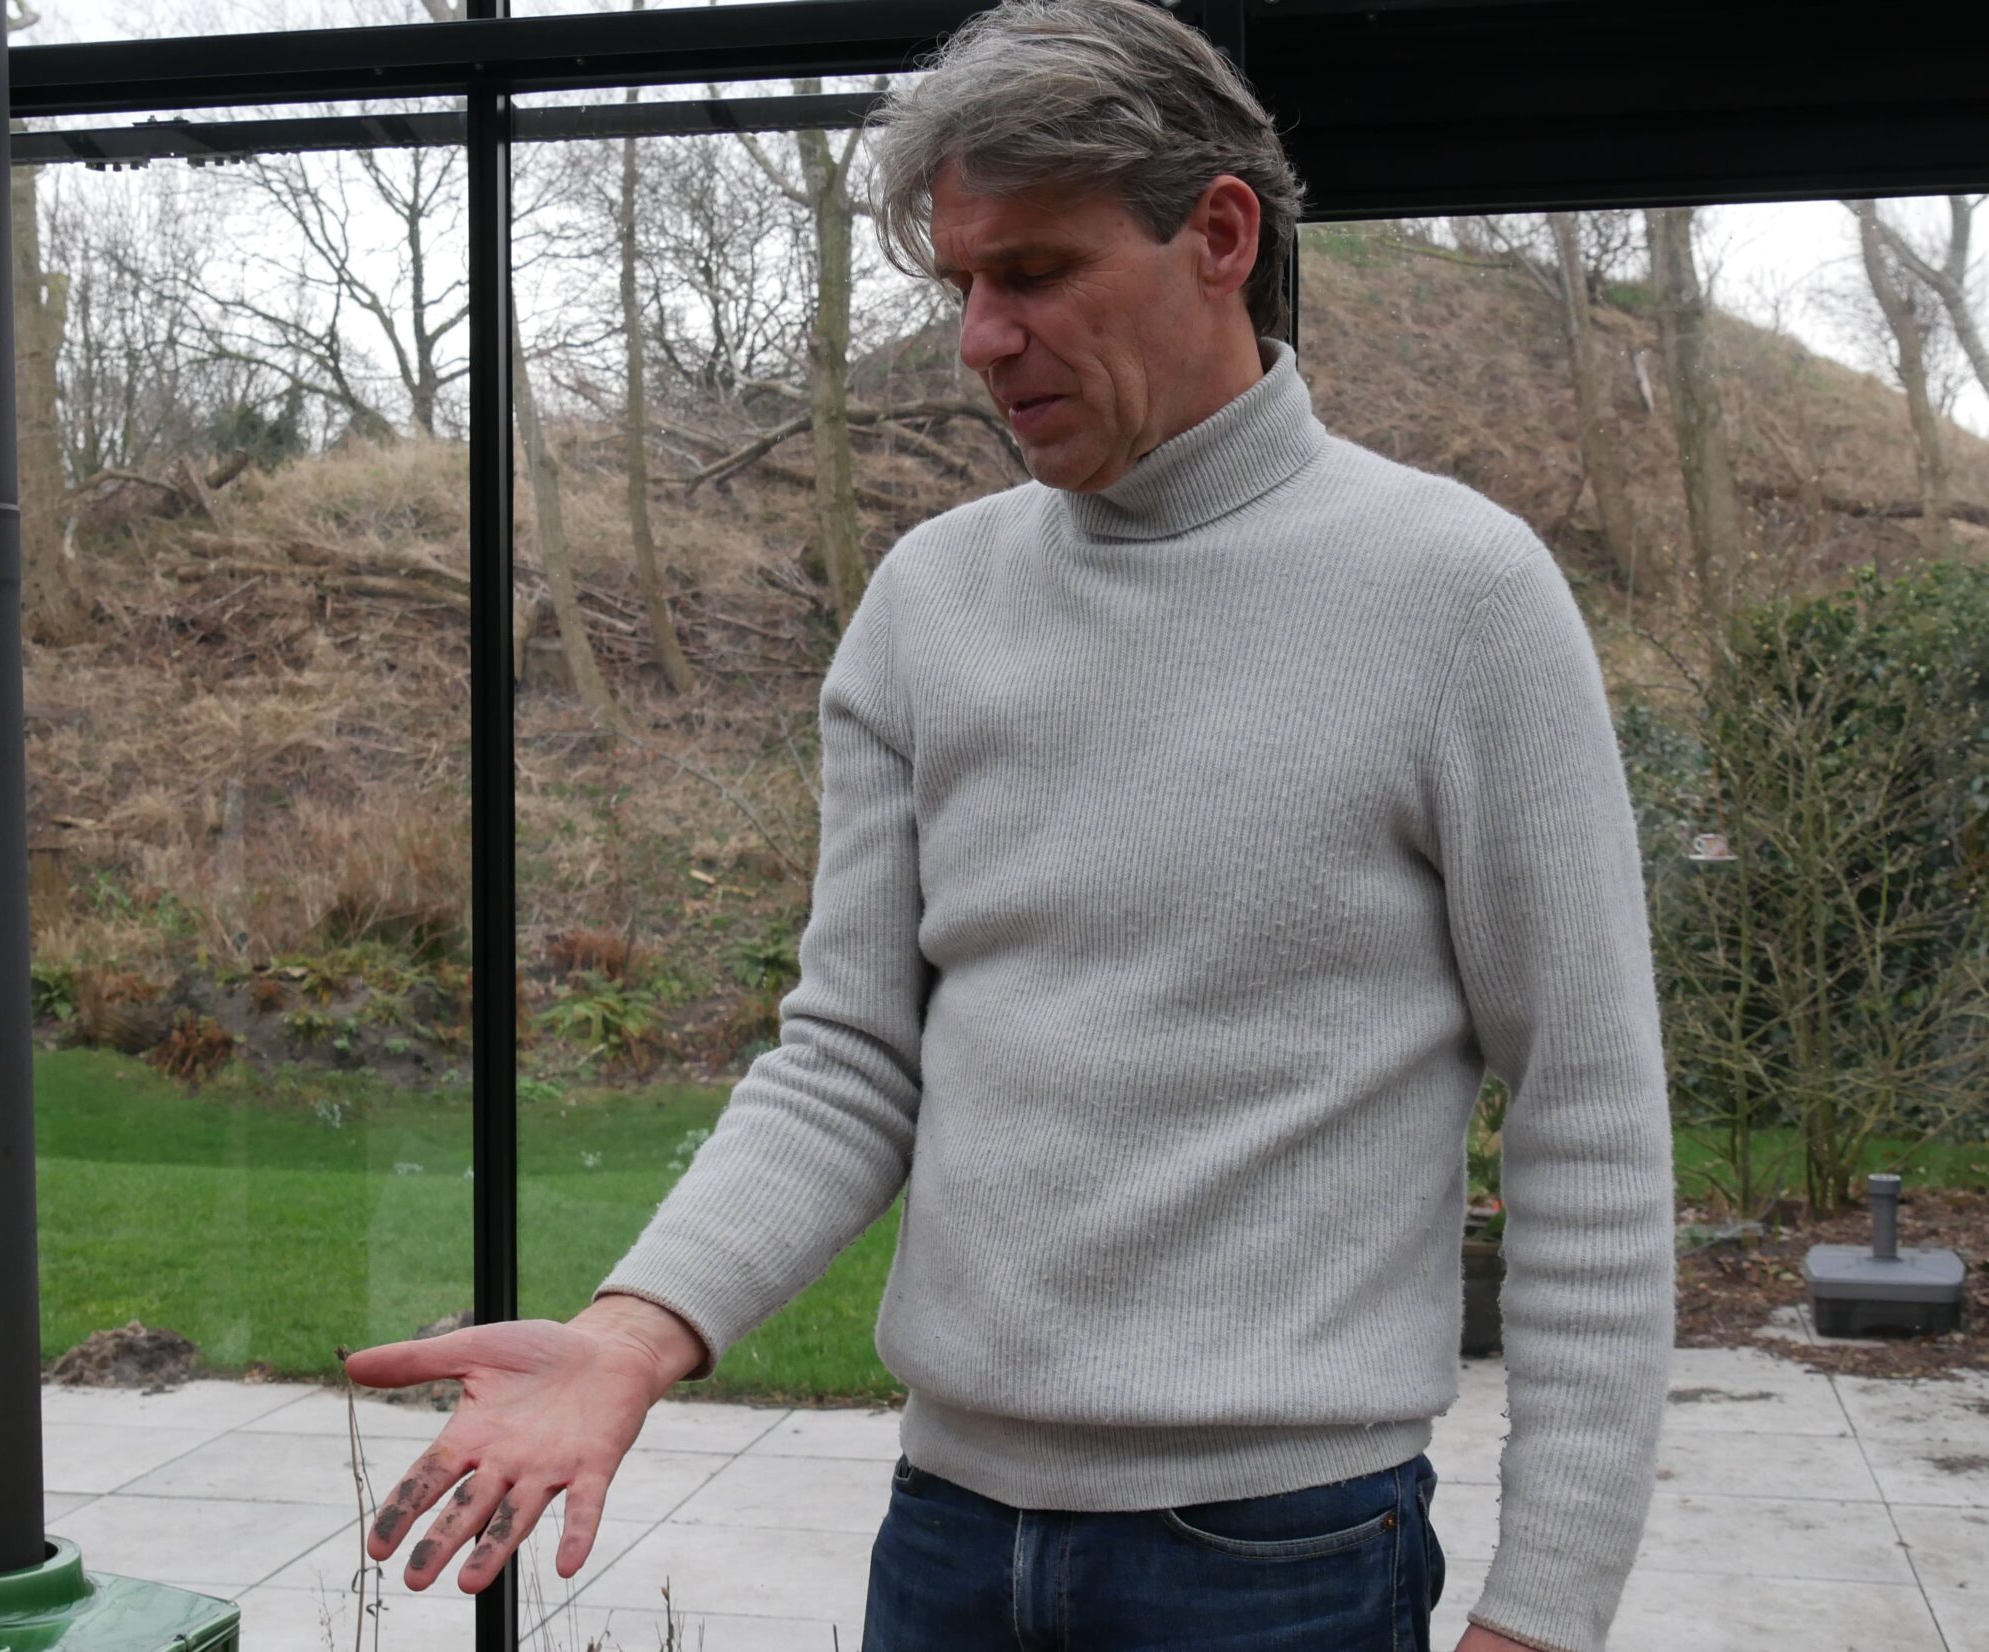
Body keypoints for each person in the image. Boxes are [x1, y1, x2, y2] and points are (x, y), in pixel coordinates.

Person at [343, 3, 1675, 1648]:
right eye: (962, 284)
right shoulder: (931, 601)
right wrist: (633, 1330)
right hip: (949, 1544)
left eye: (1034, 273)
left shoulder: (1459, 596)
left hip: (1277, 1562)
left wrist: (1547, 1609)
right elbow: (850, 1062)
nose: (981, 339)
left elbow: (1589, 1113)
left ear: (1221, 237)